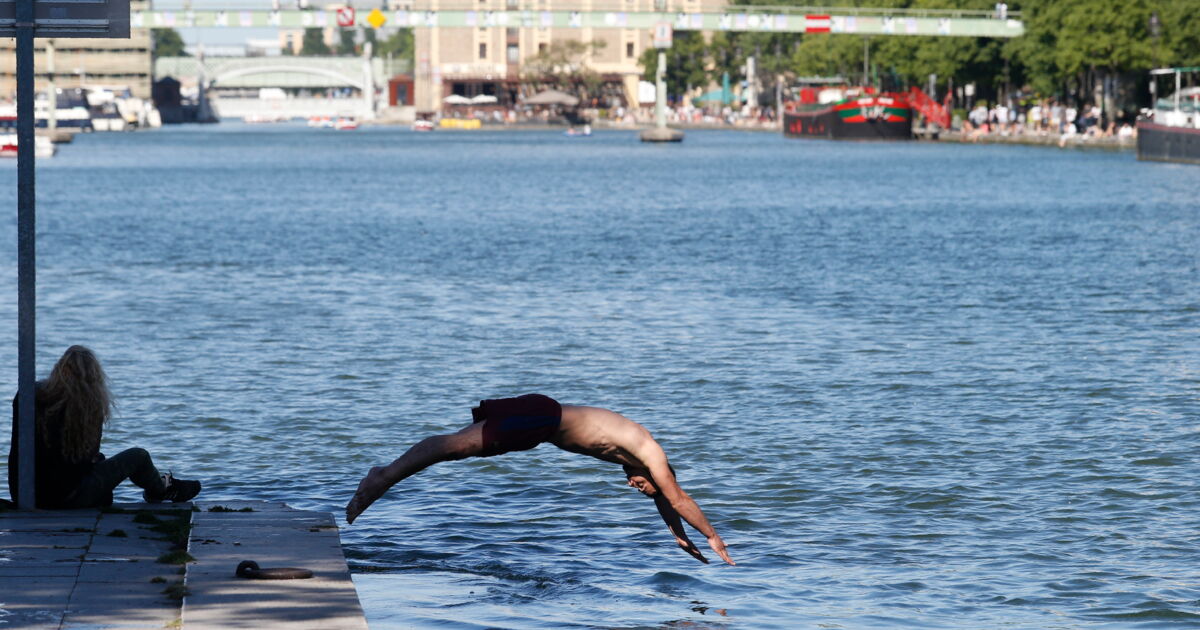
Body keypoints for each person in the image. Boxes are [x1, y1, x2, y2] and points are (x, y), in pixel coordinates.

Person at [346, 394, 735, 565]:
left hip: (540, 418)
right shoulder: (652, 454)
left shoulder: (636, 455)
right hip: (542, 420)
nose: (634, 487)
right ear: (656, 475)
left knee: (457, 444)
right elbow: (677, 498)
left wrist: (678, 536)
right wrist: (712, 536)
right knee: (455, 446)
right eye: (644, 486)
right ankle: (384, 476)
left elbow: (664, 500)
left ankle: (386, 476)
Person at [7, 345, 201, 509]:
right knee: (138, 456)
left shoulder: (29, 394)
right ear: (95, 375)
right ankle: (162, 490)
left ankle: (160, 486)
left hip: (25, 495)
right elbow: (88, 456)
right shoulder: (88, 404)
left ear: (58, 368)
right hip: (69, 497)